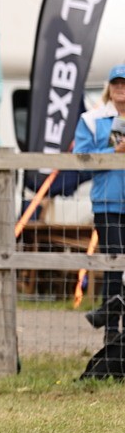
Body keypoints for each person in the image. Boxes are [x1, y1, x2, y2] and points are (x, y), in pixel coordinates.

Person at [75, 63, 125, 340]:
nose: (121, 89)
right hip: (109, 203)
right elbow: (81, 162)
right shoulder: (91, 119)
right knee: (113, 264)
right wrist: (113, 151)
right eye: (117, 83)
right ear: (109, 86)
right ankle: (111, 333)